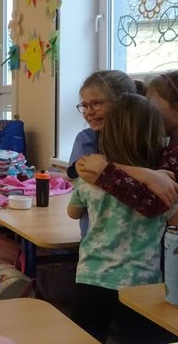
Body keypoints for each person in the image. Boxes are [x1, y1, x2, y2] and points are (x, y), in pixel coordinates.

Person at [78, 69, 178, 277]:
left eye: (151, 104)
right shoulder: (175, 151)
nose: (146, 110)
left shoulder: (177, 154)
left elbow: (155, 205)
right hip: (162, 270)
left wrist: (107, 170)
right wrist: (145, 175)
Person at [68, 93, 178, 343]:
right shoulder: (166, 186)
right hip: (142, 283)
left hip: (91, 278)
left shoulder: (90, 181)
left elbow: (73, 212)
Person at [67, 70, 138, 236]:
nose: (88, 112)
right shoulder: (87, 139)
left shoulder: (141, 139)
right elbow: (94, 174)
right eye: (85, 106)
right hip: (96, 239)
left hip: (136, 241)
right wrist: (150, 177)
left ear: (122, 103)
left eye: (96, 103)